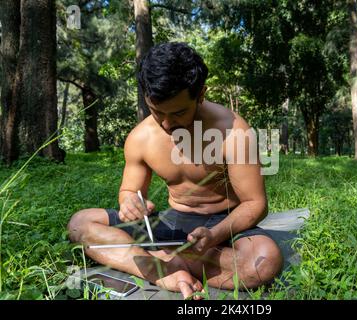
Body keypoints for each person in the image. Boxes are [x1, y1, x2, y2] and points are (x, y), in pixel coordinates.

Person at [67, 42, 283, 300]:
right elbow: (128, 191)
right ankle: (164, 270)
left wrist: (214, 236)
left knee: (264, 261)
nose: (168, 124)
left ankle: (164, 258)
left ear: (200, 94)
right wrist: (130, 203)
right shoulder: (140, 138)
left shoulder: (233, 131)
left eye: (179, 112)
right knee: (80, 224)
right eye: (157, 111)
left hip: (225, 223)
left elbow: (255, 203)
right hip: (173, 220)